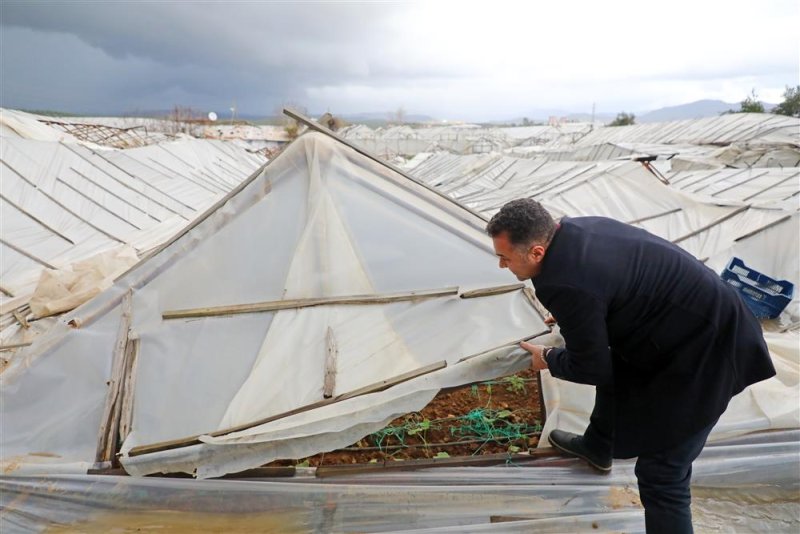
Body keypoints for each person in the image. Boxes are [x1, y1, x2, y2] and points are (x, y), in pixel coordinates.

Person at [486, 198, 775, 534]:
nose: (502, 266)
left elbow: (590, 366)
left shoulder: (565, 283)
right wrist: (582, 315)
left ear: (537, 252)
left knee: (663, 473)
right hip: (691, 321)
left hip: (712, 351)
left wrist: (548, 358)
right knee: (617, 358)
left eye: (505, 257)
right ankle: (598, 446)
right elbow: (604, 289)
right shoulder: (576, 229)